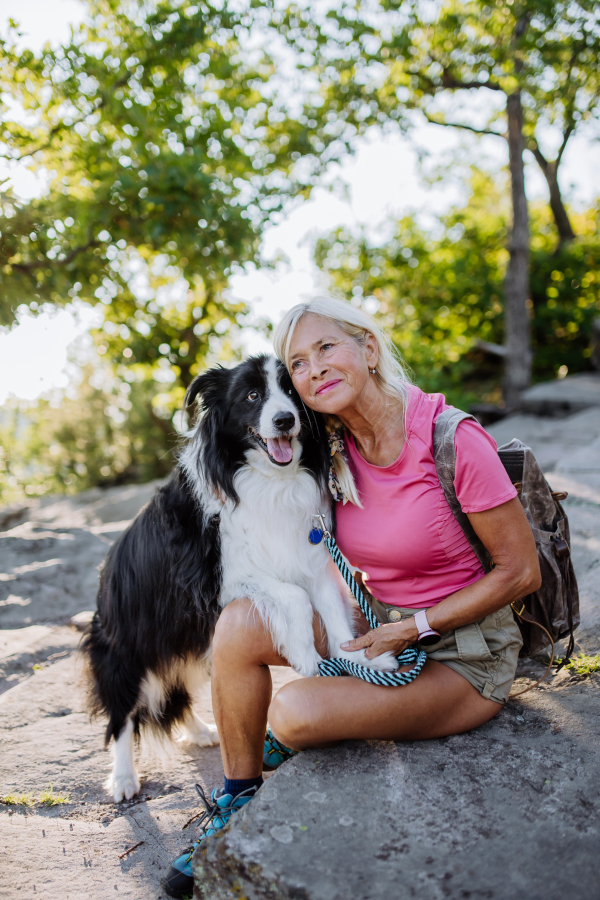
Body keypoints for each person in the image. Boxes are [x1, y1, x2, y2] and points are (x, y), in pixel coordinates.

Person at [164, 295, 540, 897]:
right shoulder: (333, 445)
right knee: (236, 626)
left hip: (464, 655)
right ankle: (237, 799)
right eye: (300, 363)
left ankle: (274, 739)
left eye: (326, 349)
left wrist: (412, 626)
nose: (314, 370)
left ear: (368, 348)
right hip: (376, 629)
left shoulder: (454, 438)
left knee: (293, 711)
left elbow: (521, 574)